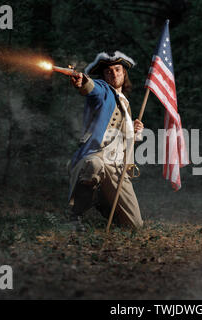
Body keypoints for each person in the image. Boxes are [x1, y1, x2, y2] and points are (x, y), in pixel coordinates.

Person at [67, 51, 144, 230]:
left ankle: (103, 203)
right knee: (94, 165)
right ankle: (73, 216)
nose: (114, 74)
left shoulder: (126, 103)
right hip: (96, 156)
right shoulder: (102, 89)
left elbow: (124, 139)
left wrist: (134, 128)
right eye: (109, 71)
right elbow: (91, 88)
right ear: (103, 75)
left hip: (117, 166)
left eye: (118, 70)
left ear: (124, 73)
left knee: (134, 225)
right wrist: (82, 82)